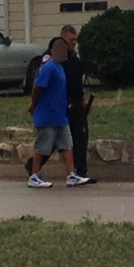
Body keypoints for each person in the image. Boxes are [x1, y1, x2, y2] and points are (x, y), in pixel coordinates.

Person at [26, 25, 95, 181]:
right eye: (71, 41)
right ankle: (34, 172)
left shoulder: (70, 59)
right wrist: (34, 104)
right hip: (54, 109)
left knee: (71, 142)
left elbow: (76, 81)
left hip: (69, 106)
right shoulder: (50, 63)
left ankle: (76, 173)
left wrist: (82, 99)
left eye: (76, 41)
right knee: (47, 144)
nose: (74, 44)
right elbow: (38, 87)